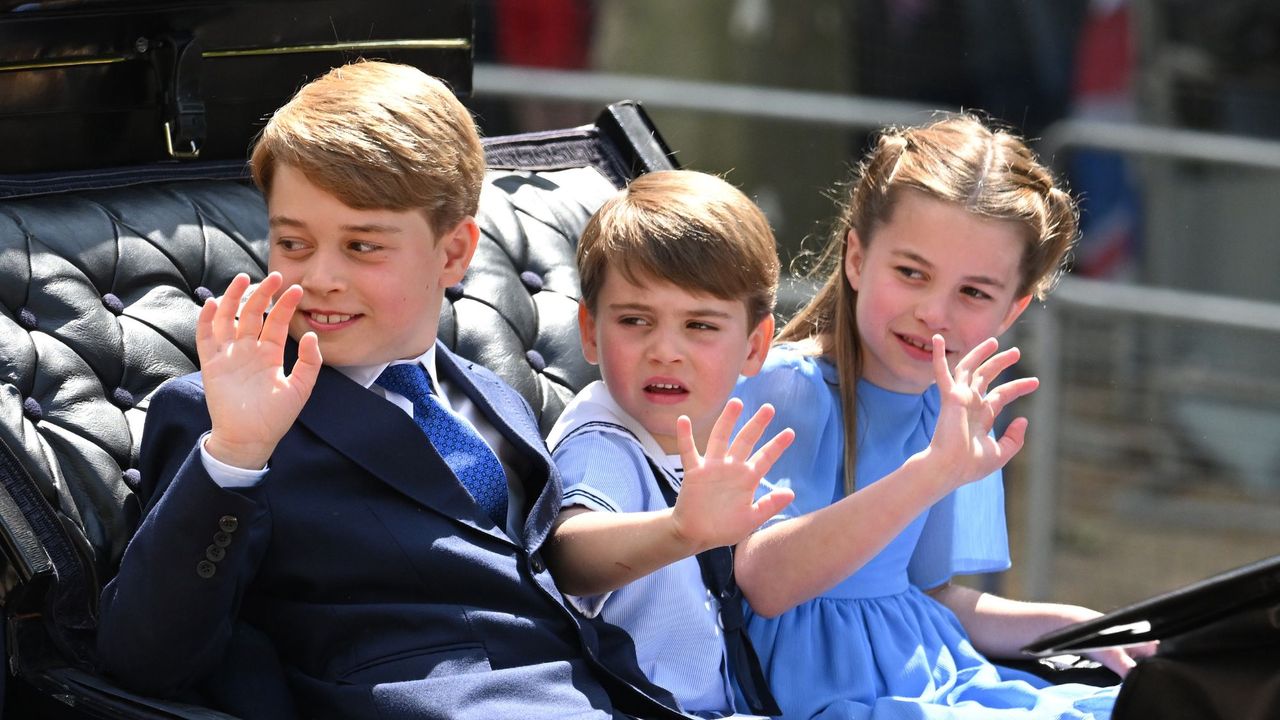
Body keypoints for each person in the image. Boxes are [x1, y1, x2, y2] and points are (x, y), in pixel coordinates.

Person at [95, 60, 688, 720]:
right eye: (294, 242)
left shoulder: (494, 396)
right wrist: (236, 453)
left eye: (361, 246)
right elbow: (144, 658)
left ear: (455, 252)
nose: (319, 277)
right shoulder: (221, 416)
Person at [728, 114, 1151, 719]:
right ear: (855, 258)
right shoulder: (781, 385)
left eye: (974, 293)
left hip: (935, 674)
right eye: (911, 273)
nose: (934, 313)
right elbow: (764, 585)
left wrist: (1077, 624)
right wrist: (932, 471)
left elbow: (927, 596)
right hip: (820, 696)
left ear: (1012, 309)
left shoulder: (953, 408)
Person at [543, 169, 796, 719]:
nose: (665, 350)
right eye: (635, 320)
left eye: (700, 326)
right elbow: (568, 554)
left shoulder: (721, 437)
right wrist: (679, 530)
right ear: (589, 331)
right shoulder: (604, 435)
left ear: (755, 347)